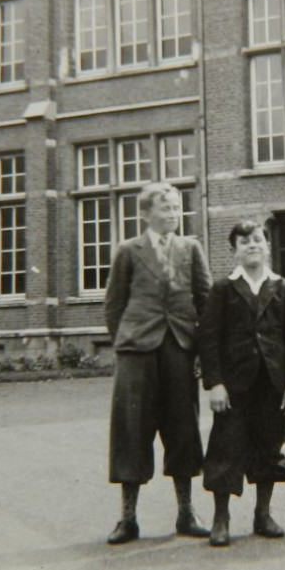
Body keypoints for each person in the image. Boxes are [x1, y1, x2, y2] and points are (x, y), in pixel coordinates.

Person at [102, 182, 213, 545]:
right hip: (137, 352)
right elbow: (114, 304)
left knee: (183, 431)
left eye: (177, 207)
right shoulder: (128, 251)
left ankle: (186, 512)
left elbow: (205, 300)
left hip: (179, 348)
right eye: (164, 209)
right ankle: (127, 519)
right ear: (145, 213)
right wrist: (127, 341)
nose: (172, 215)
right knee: (132, 431)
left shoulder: (191, 248)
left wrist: (199, 349)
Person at [199, 219, 285, 547]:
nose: (252, 246)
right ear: (234, 251)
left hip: (272, 384)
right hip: (234, 386)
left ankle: (263, 513)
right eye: (244, 242)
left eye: (258, 240)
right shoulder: (222, 289)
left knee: (268, 447)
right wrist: (215, 383)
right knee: (225, 448)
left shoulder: (283, 288)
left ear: (268, 246)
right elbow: (209, 339)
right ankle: (221, 518)